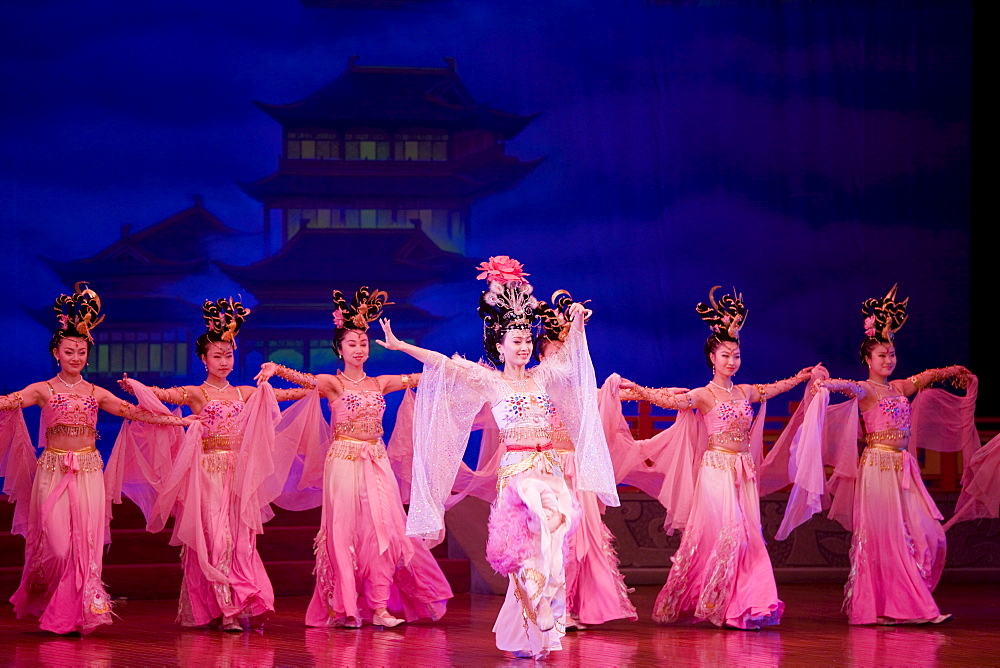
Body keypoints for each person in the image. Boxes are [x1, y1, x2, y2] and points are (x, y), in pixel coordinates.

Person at [377, 256, 619, 659]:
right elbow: (442, 364)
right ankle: (538, 608)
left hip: (549, 469)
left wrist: (576, 322)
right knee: (530, 541)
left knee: (552, 548)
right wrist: (402, 346)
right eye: (516, 342)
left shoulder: (543, 377)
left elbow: (572, 358)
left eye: (527, 341)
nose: (524, 348)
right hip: (519, 475)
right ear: (500, 345)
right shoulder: (489, 381)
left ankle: (535, 624)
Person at [619, 286, 820, 629]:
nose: (732, 361)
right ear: (712, 358)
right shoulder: (703, 394)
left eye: (736, 355)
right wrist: (635, 390)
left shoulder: (744, 392)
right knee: (728, 536)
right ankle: (714, 600)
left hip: (742, 471)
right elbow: (668, 402)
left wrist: (802, 379)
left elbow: (774, 388)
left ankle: (747, 605)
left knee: (749, 537)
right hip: (715, 472)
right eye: (725, 355)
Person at [0, 283, 192, 635]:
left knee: (86, 545)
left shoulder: (95, 392)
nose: (75, 357)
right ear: (56, 352)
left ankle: (75, 612)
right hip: (53, 470)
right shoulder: (43, 389)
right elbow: (11, 401)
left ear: (88, 355)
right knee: (56, 546)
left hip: (89, 470)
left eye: (81, 351)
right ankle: (52, 599)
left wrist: (180, 420)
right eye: (69, 350)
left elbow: (137, 414)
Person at [256, 286, 452, 629]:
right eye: (352, 344)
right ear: (339, 348)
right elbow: (304, 379)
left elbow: (430, 376)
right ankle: (345, 606)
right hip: (344, 460)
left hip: (376, 459)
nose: (359, 349)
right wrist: (276, 367)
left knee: (386, 533)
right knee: (344, 533)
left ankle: (379, 607)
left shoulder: (381, 383)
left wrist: (454, 368)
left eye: (363, 343)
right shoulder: (333, 384)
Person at [117, 297, 308, 631]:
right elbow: (162, 396)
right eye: (217, 356)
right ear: (203, 359)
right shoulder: (195, 393)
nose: (224, 361)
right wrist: (136, 386)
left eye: (229, 355)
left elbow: (294, 395)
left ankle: (238, 604)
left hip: (238, 475)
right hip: (207, 474)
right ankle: (224, 608)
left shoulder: (247, 392)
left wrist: (283, 374)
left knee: (241, 542)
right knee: (215, 540)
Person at [809, 286, 972, 625]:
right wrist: (824, 382)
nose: (888, 360)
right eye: (881, 355)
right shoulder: (867, 389)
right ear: (867, 359)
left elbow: (925, 377)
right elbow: (848, 387)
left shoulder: (899, 387)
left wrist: (951, 370)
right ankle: (897, 608)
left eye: (891, 354)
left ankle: (898, 604)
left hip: (902, 466)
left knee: (929, 532)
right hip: (879, 467)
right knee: (888, 538)